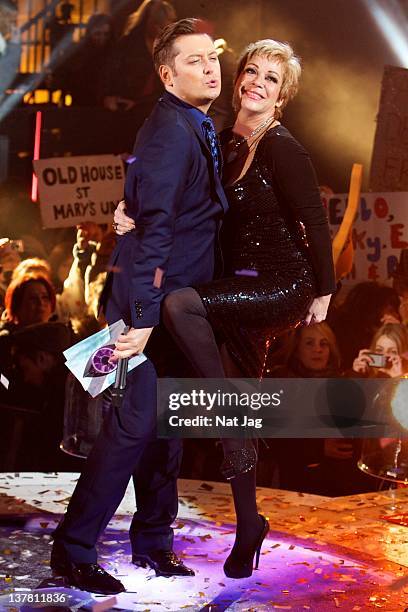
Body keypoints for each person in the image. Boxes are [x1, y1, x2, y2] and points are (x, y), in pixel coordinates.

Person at [114, 39, 336, 578]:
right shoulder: (218, 139)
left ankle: (231, 436)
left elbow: (313, 218)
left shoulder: (284, 147)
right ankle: (249, 523)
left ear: (282, 97)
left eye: (272, 79)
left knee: (182, 304)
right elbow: (186, 206)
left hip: (281, 284)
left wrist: (325, 291)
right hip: (234, 284)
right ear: (238, 79)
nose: (257, 82)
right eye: (252, 72)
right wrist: (135, 218)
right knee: (235, 405)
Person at [50, 18, 227, 595]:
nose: (209, 67)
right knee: (130, 430)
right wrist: (144, 319)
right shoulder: (172, 130)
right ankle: (73, 552)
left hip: (174, 310)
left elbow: (158, 211)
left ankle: (153, 543)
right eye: (194, 60)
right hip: (147, 309)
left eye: (211, 58)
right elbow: (154, 228)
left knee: (165, 431)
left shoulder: (193, 124)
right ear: (166, 73)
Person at [269, 323, 375, 496]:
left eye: (323, 344)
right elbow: (272, 442)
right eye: (309, 343)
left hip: (344, 488)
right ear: (296, 349)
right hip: (299, 489)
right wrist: (317, 448)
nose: (317, 349)